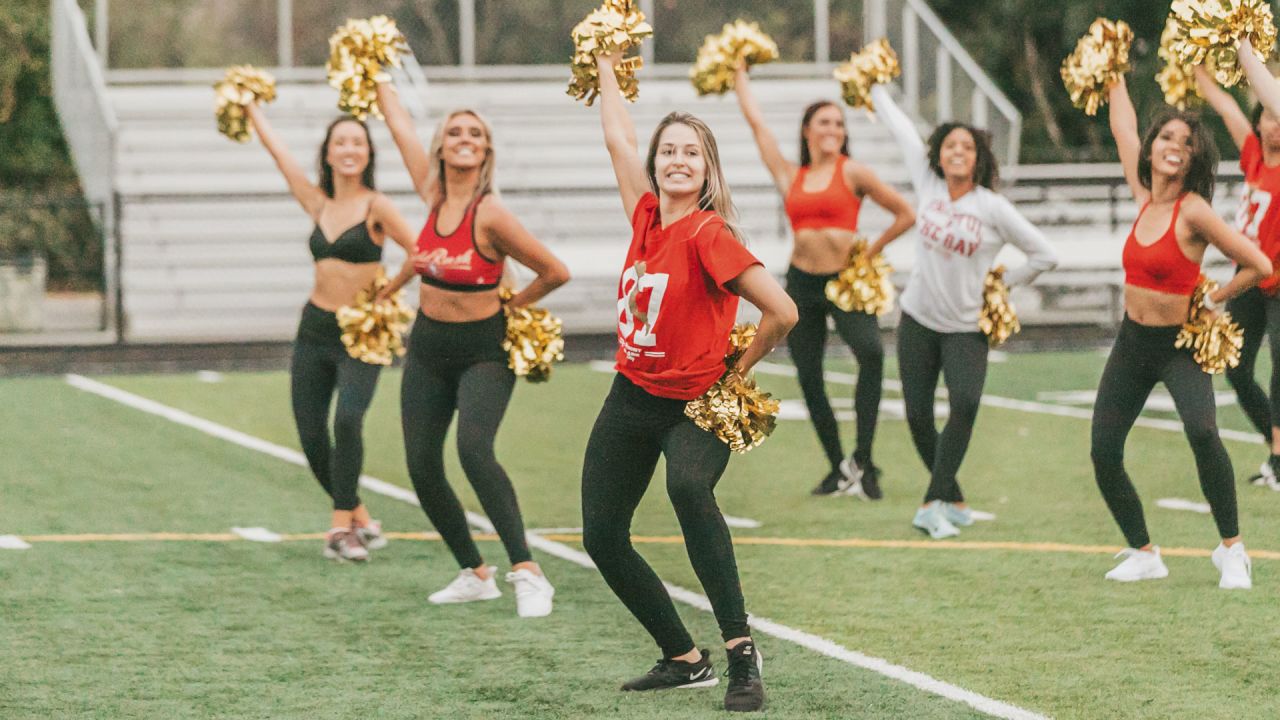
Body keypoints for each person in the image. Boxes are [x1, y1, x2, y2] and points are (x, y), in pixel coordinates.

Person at [580, 52, 798, 713]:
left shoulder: (709, 233)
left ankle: (740, 655)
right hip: (632, 395)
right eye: (668, 150)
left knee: (687, 485)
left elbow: (782, 311)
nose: (678, 160)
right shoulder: (646, 217)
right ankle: (683, 656)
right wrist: (607, 68)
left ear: (707, 171)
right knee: (601, 534)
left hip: (697, 403)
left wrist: (737, 370)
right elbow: (617, 135)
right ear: (657, 164)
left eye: (691, 153)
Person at [375, 78, 571, 616]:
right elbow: (395, 125)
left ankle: (527, 571)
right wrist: (377, 73)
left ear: (485, 151)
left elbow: (555, 270)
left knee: (474, 450)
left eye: (475, 133)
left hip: (485, 348)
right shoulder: (432, 194)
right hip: (428, 347)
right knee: (420, 464)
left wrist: (516, 304)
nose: (464, 138)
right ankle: (474, 571)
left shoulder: (490, 214)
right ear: (440, 146)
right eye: (455, 131)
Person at [1092, 75, 1270, 589]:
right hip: (1132, 343)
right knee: (1104, 450)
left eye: (1187, 144)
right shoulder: (1144, 195)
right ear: (1152, 150)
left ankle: (1232, 550)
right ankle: (1144, 551)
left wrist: (1212, 299)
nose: (1175, 147)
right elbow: (1123, 125)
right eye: (1167, 138)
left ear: (1194, 160)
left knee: (1203, 431)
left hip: (1177, 347)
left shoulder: (1193, 210)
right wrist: (1116, 79)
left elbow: (1257, 262)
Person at [868, 83, 1059, 539]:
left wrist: (999, 284)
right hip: (916, 319)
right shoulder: (928, 183)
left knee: (965, 405)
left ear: (978, 158)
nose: (957, 152)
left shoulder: (992, 207)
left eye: (967, 146)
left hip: (965, 326)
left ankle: (933, 501)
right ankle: (952, 497)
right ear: (940, 154)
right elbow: (901, 130)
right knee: (916, 416)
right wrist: (876, 88)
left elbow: (1044, 255)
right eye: (950, 145)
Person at [730, 64, 915, 499]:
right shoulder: (790, 174)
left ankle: (864, 461)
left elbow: (906, 214)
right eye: (824, 122)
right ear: (808, 130)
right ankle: (837, 466)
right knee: (809, 375)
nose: (833, 129)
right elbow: (757, 125)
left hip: (845, 282)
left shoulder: (854, 172)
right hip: (801, 286)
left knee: (870, 354)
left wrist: (868, 253)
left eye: (838, 123)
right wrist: (739, 72)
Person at [245, 104, 418, 562]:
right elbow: (279, 155)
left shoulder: (377, 205)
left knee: (348, 420)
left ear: (367, 153)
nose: (349, 149)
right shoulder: (318, 202)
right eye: (340, 141)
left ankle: (340, 528)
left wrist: (389, 293)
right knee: (311, 435)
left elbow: (419, 253)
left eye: (357, 142)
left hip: (362, 333)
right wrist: (250, 109)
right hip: (314, 329)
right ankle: (360, 515)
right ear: (327, 152)